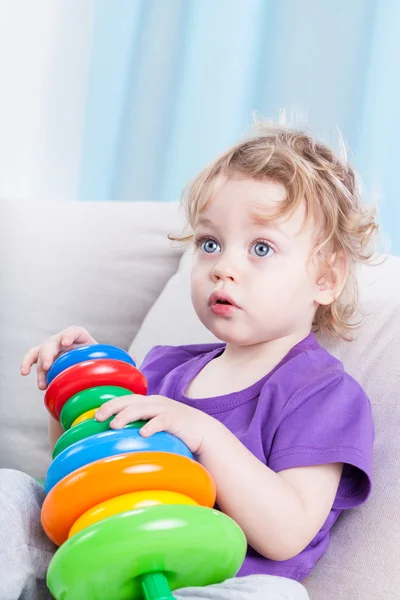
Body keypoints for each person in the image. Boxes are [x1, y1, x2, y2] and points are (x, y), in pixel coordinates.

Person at [3, 119, 377, 600]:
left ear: (327, 278)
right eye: (209, 243)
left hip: (214, 584)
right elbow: (74, 475)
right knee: (10, 492)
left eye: (261, 248)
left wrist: (204, 434)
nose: (224, 267)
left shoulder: (323, 393)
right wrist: (79, 387)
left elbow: (287, 533)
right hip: (97, 562)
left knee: (276, 596)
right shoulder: (159, 370)